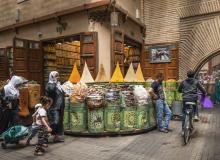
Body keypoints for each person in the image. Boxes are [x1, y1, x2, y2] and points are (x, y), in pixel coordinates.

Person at [178, 70, 206, 134]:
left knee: (184, 113)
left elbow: (179, 90)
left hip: (185, 99)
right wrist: (204, 93)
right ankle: (196, 115)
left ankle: (183, 130)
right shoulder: (196, 82)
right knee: (195, 104)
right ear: (194, 75)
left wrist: (183, 91)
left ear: (187, 75)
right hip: (193, 98)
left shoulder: (183, 82)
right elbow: (202, 90)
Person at [45, 71, 65, 142]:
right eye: (56, 76)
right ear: (52, 77)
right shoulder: (49, 85)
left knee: (59, 122)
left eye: (58, 76)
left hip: (60, 106)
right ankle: (45, 133)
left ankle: (56, 137)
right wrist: (54, 82)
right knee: (55, 122)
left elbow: (61, 93)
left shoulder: (58, 85)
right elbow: (51, 90)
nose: (58, 78)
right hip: (53, 106)